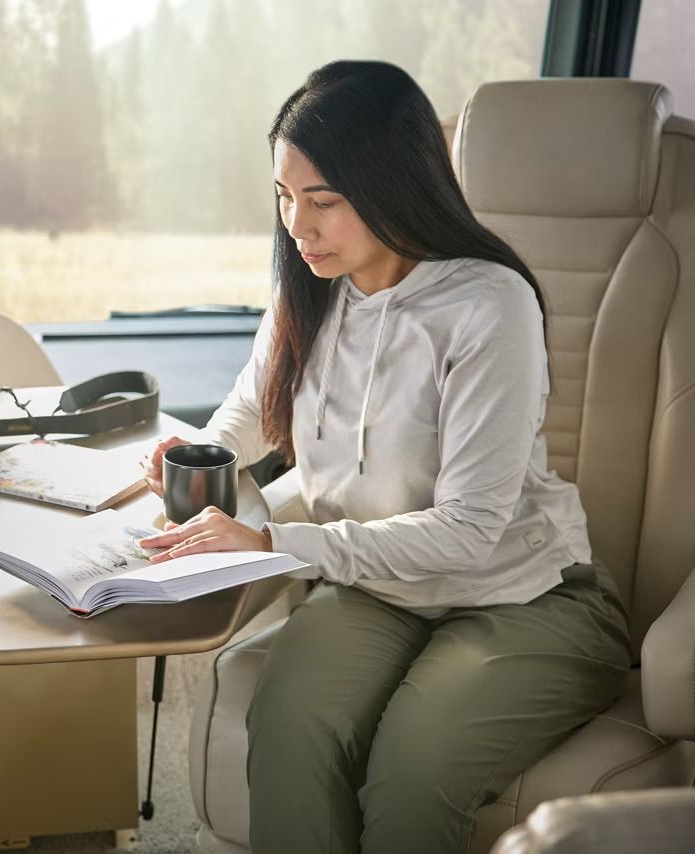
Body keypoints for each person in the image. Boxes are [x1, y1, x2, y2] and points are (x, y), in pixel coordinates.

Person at [137, 61, 631, 854]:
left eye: (323, 201)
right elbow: (250, 415)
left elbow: (470, 530)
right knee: (289, 722)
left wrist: (275, 546)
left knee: (410, 767)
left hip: (521, 596)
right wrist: (196, 456)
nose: (298, 227)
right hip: (378, 585)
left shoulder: (486, 305)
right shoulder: (310, 286)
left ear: (392, 184)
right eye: (284, 198)